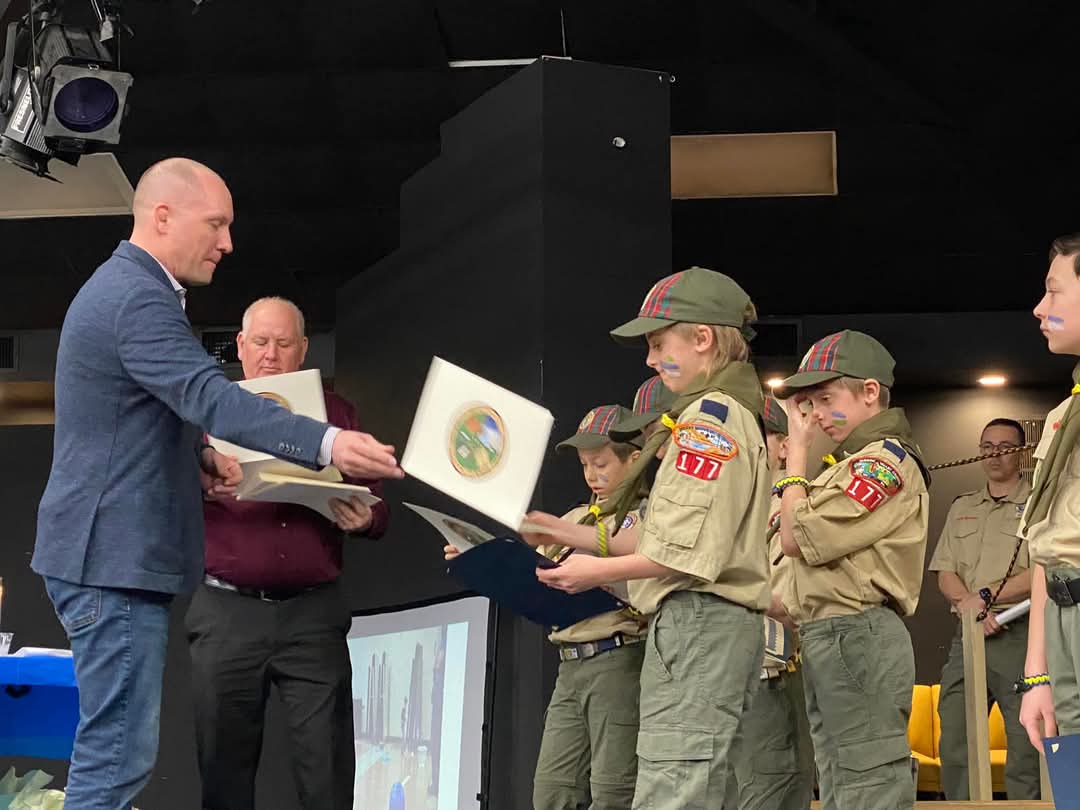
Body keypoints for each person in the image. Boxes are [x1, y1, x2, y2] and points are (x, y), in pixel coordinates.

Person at [30, 157, 402, 810]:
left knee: (116, 755)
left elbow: (132, 417)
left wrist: (196, 464)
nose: (228, 242)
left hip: (111, 558)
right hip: (109, 560)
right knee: (115, 761)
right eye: (218, 223)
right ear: (164, 217)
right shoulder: (134, 296)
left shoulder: (131, 292)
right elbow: (209, 396)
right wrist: (329, 442)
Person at [533, 267, 772, 810]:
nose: (649, 359)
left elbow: (682, 551)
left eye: (659, 344)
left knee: (674, 788)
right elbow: (664, 536)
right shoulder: (715, 416)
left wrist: (592, 572)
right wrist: (555, 530)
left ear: (703, 338)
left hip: (701, 622)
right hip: (696, 625)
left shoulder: (709, 420)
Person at [187, 297, 389, 810]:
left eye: (283, 343)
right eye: (260, 342)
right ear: (239, 346)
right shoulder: (207, 410)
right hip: (225, 609)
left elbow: (378, 502)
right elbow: (159, 494)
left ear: (303, 349)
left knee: (327, 770)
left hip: (311, 612)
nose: (271, 355)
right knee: (222, 772)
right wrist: (197, 486)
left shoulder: (337, 414)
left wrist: (368, 517)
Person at [447, 404, 648, 810]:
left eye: (602, 462)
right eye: (585, 464)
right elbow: (538, 563)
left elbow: (639, 561)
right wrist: (480, 557)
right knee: (553, 791)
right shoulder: (575, 516)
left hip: (618, 655)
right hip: (569, 660)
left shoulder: (647, 515)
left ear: (635, 458)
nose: (592, 473)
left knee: (613, 789)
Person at [774, 329, 930, 810]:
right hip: (829, 632)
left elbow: (797, 538)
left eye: (824, 397)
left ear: (869, 392)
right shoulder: (845, 464)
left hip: (857, 632)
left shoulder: (884, 462)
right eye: (808, 403)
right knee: (842, 785)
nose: (815, 414)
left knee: (869, 785)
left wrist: (795, 458)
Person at [929, 418, 1039, 799]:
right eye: (987, 446)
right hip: (969, 634)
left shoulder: (1038, 506)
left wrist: (988, 595)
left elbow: (1042, 571)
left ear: (1022, 452)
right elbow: (945, 572)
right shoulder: (963, 507)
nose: (994, 454)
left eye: (1004, 446)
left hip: (1018, 633)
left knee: (1025, 742)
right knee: (956, 736)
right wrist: (970, 605)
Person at [732, 395, 815, 810]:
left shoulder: (800, 506)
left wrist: (724, 587)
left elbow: (789, 603)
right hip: (721, 681)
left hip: (771, 677)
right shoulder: (731, 506)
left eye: (757, 433)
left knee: (769, 795)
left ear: (784, 445)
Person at [1020, 233, 1080, 755]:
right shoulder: (1064, 417)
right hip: (1064, 620)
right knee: (1073, 780)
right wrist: (1037, 671)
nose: (1041, 309)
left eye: (1054, 292)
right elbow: (1046, 546)